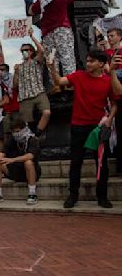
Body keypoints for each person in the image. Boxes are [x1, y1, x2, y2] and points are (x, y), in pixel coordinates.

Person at [49, 49, 117, 209]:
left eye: (91, 61)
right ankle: (73, 195)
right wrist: (51, 68)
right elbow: (59, 81)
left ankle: (102, 197)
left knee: (101, 163)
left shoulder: (108, 81)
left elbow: (114, 104)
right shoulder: (78, 76)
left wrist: (109, 119)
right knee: (76, 162)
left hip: (98, 128)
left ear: (101, 64)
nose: (87, 63)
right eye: (87, 60)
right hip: (78, 126)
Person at [29, 0, 82, 77]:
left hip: (46, 33)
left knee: (52, 59)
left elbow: (31, 11)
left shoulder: (42, 0)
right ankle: (69, 81)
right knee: (67, 56)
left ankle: (55, 83)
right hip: (61, 29)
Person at [0, 115, 41, 205]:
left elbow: (30, 155)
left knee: (28, 162)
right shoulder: (12, 139)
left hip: (31, 171)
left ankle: (32, 193)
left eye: (17, 131)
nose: (16, 134)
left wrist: (13, 160)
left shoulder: (32, 139)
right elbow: (3, 152)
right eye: (13, 132)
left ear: (23, 129)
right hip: (15, 171)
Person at [13, 27, 51, 137]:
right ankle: (30, 139)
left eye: (26, 50)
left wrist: (32, 37)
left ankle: (38, 132)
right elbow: (15, 85)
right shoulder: (19, 67)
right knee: (26, 122)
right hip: (25, 96)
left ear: (31, 51)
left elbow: (42, 50)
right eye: (22, 51)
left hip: (38, 92)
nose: (24, 52)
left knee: (46, 112)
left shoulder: (36, 61)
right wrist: (15, 73)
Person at [0, 64, 20, 141]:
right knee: (7, 132)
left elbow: (16, 86)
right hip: (7, 110)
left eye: (2, 70)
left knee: (18, 129)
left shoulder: (14, 78)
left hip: (17, 108)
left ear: (7, 71)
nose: (0, 72)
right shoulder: (0, 83)